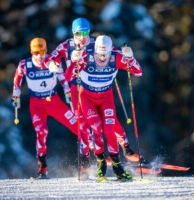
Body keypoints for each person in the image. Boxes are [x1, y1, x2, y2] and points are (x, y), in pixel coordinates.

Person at [44, 18, 142, 168]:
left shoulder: (96, 42)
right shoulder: (67, 45)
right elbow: (50, 58)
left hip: (98, 86)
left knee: (109, 120)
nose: (82, 37)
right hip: (76, 88)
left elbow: (112, 53)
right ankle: (87, 157)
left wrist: (126, 57)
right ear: (73, 33)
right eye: (78, 34)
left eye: (85, 33)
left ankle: (126, 148)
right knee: (83, 123)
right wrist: (52, 64)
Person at [11, 37, 89, 179]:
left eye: (42, 52)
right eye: (36, 52)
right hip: (37, 104)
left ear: (46, 50)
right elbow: (17, 79)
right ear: (31, 51)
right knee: (41, 132)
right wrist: (15, 95)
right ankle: (42, 167)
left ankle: (87, 159)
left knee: (78, 126)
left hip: (54, 102)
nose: (40, 56)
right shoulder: (25, 64)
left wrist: (67, 92)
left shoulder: (52, 62)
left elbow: (63, 78)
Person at [69, 35, 142, 181]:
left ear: (111, 51)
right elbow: (68, 75)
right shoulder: (86, 57)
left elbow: (138, 72)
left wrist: (130, 58)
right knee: (96, 127)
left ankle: (116, 164)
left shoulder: (116, 57)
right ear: (94, 51)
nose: (102, 59)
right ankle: (100, 160)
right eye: (99, 55)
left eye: (106, 55)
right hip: (87, 98)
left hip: (106, 98)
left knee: (109, 128)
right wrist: (74, 61)